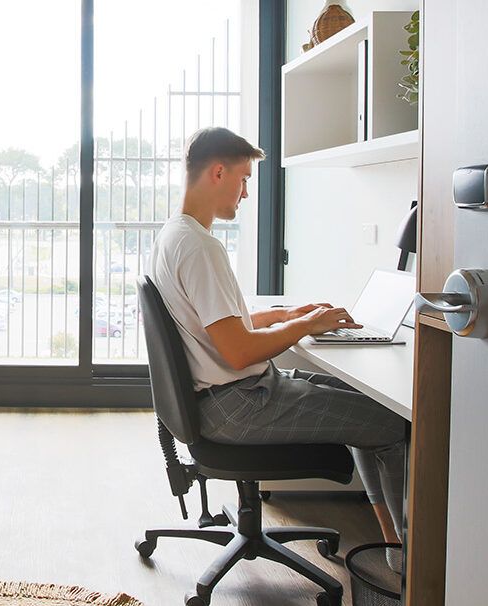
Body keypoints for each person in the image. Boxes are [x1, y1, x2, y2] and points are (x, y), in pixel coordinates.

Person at [148, 127, 408, 571]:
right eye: (244, 179)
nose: (246, 192)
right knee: (390, 422)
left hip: (224, 399)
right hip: (239, 404)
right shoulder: (200, 247)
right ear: (218, 173)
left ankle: (393, 544)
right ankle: (406, 554)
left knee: (366, 406)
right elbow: (238, 352)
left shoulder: (175, 235)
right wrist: (309, 324)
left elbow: (222, 325)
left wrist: (287, 315)